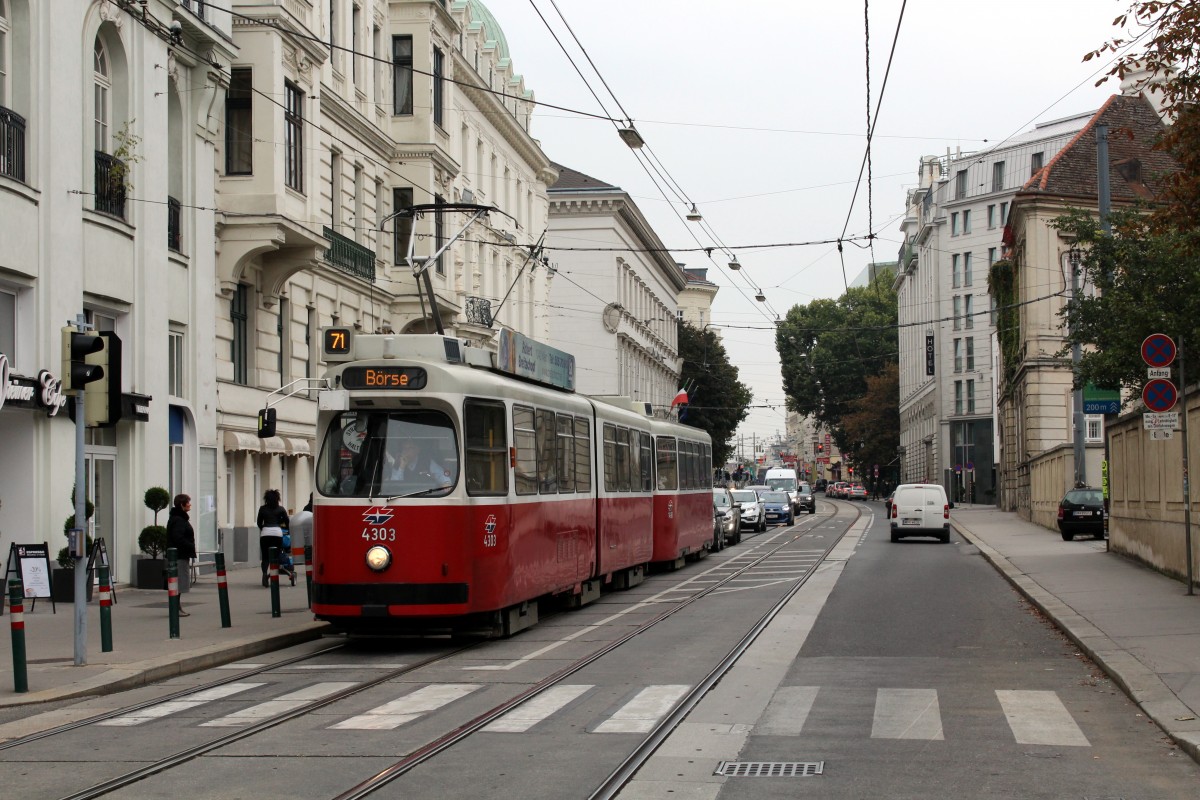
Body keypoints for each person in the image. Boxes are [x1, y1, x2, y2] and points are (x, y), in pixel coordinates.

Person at [165, 494, 196, 616]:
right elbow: (177, 537)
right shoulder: (179, 520)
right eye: (187, 502)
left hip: (179, 555)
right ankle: (175, 609)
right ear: (182, 505)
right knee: (178, 583)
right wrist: (190, 545)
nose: (189, 504)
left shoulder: (177, 518)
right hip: (179, 555)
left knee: (178, 583)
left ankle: (177, 607)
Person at [256, 489, 289, 588]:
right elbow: (287, 522)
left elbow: (258, 523)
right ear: (277, 499)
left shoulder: (262, 509)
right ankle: (274, 576)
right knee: (276, 556)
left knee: (265, 557)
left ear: (266, 498)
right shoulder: (281, 509)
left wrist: (264, 528)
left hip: (265, 533)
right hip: (277, 534)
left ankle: (265, 574)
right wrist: (283, 527)